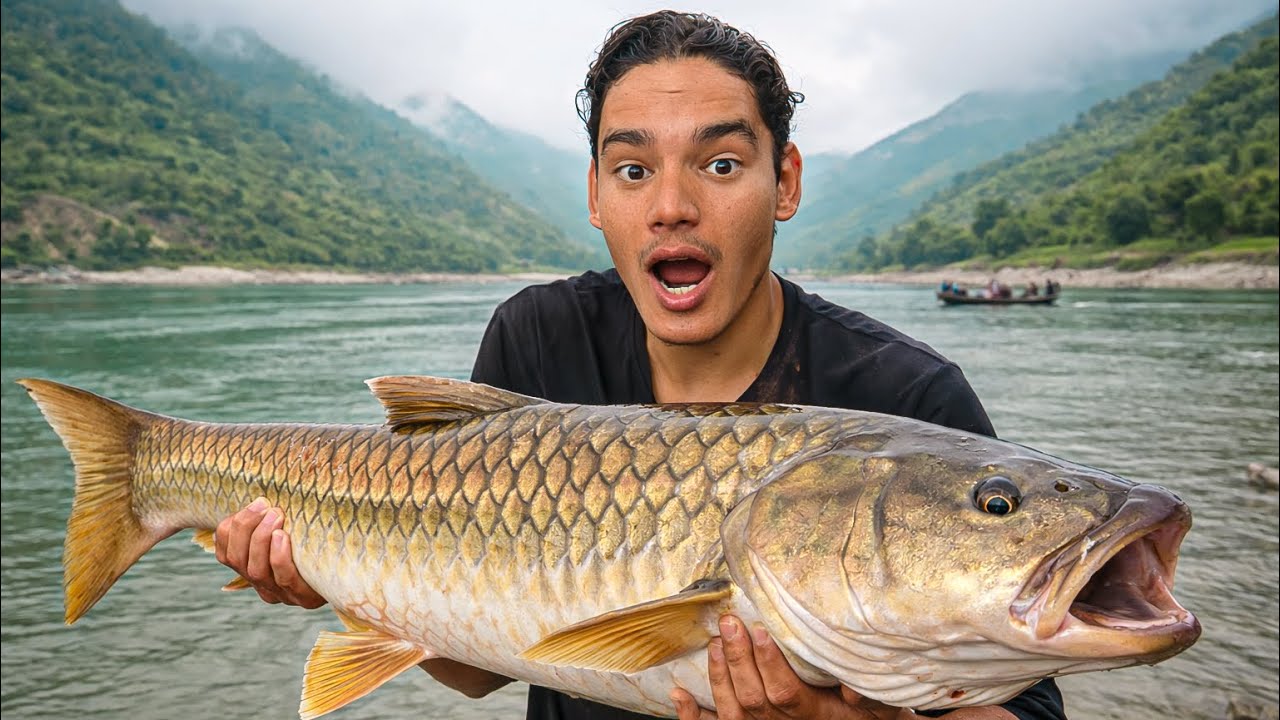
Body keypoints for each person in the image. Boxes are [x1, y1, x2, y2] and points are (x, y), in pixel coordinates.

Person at [213, 10, 1066, 720]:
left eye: (721, 164)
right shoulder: (540, 338)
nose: (671, 207)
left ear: (786, 182)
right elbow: (481, 664)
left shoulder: (905, 399)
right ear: (595, 194)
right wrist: (340, 580)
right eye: (632, 170)